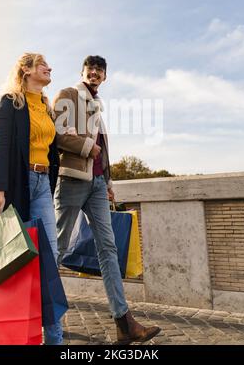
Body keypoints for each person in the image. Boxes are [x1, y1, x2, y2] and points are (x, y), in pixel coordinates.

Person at [53, 55, 160, 344]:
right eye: (91, 68)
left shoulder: (96, 105)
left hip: (98, 184)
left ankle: (124, 323)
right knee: (58, 247)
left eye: (100, 70)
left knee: (109, 248)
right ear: (83, 71)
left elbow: (103, 146)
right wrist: (89, 148)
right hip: (73, 180)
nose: (95, 72)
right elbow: (59, 135)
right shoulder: (68, 95)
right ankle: (38, 313)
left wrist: (109, 181)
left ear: (105, 77)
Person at [0, 53, 63, 345]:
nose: (49, 68)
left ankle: (54, 338)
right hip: (16, 184)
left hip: (43, 184)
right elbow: (0, 146)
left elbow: (51, 149)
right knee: (14, 257)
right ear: (27, 69)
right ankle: (17, 328)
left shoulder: (46, 107)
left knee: (50, 257)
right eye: (43, 64)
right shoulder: (10, 102)